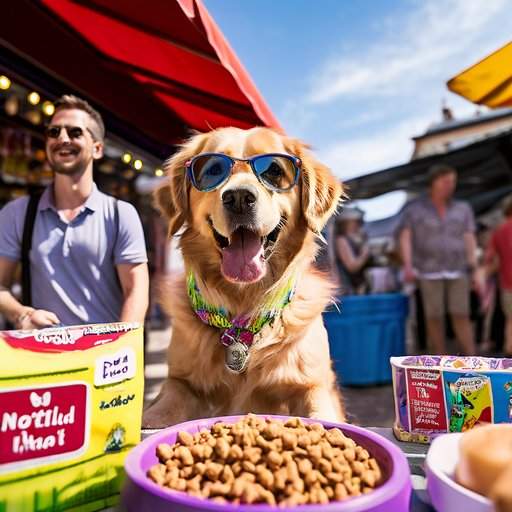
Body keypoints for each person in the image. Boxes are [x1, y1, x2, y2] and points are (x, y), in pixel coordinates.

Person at [0, 94, 149, 329]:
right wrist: (22, 314)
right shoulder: (17, 213)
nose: (62, 138)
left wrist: (121, 349)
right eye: (54, 132)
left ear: (98, 149)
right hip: (42, 359)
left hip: (102, 357)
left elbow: (136, 291)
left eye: (75, 132)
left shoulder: (121, 214)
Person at [399, 164, 477, 355]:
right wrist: (408, 265)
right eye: (446, 181)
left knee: (462, 314)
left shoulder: (463, 208)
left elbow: (469, 236)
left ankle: (473, 358)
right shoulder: (415, 210)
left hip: (458, 268)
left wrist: (474, 265)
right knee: (434, 317)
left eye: (453, 182)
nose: (450, 186)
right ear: (433, 183)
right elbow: (406, 236)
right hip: (428, 270)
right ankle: (440, 360)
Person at [485, 196, 512, 356]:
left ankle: (509, 352)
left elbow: (491, 260)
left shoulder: (498, 232)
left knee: (510, 320)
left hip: (507, 285)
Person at [334, 207, 370, 295]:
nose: (358, 225)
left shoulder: (357, 239)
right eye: (355, 221)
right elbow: (352, 267)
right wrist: (365, 254)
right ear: (346, 223)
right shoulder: (341, 240)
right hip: (349, 288)